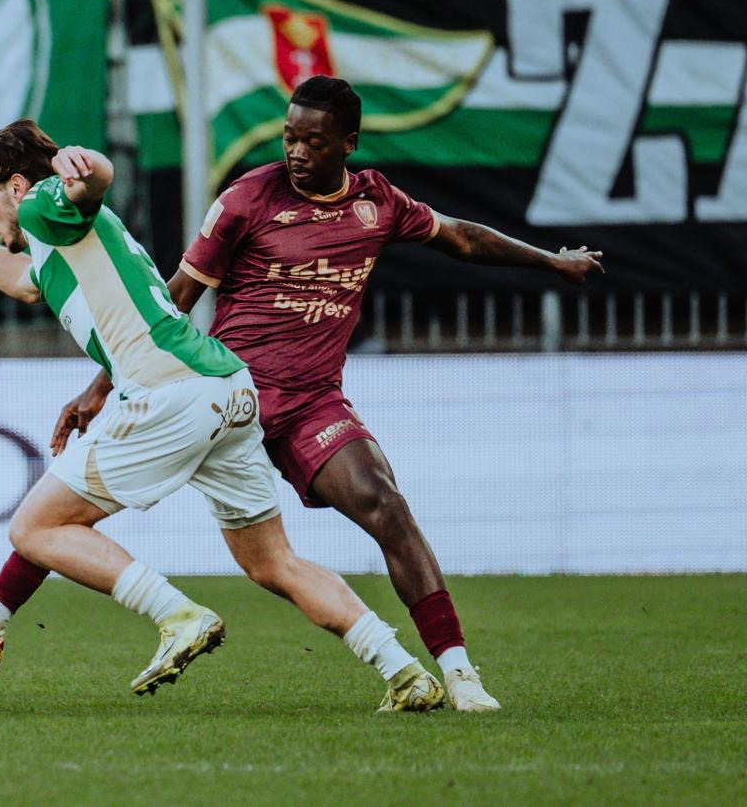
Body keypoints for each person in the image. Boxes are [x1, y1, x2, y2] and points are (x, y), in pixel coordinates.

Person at [51, 75, 607, 712]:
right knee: (71, 509)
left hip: (312, 402)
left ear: (349, 143)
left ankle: (459, 674)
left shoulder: (378, 202)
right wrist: (101, 385)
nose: (296, 151)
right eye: (289, 137)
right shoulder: (248, 198)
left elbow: (461, 236)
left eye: (313, 142)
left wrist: (550, 261)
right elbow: (174, 297)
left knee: (387, 507)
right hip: (226, 399)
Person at [0, 120, 446, 710]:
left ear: (16, 187)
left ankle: (176, 614)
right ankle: (404, 671)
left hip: (167, 393)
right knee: (272, 562)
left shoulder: (44, 206)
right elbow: (21, 283)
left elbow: (93, 180)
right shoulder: (54, 246)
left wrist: (83, 160)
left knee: (35, 528)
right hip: (226, 388)